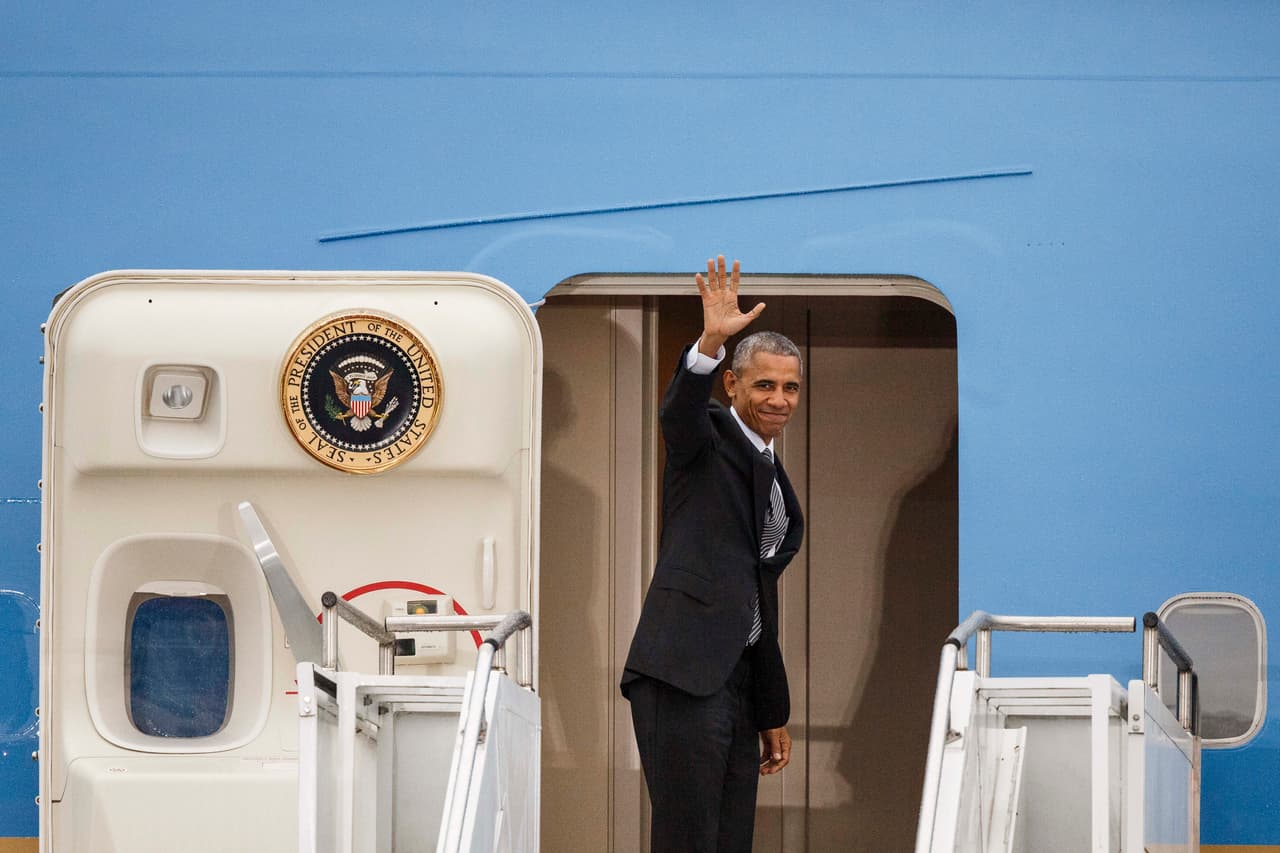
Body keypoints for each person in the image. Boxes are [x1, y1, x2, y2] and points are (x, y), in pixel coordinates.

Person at [622, 255, 805, 852]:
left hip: (737, 682)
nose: (779, 398)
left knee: (730, 841)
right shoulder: (705, 439)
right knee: (687, 839)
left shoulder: (775, 476)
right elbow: (677, 413)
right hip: (680, 674)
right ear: (732, 384)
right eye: (764, 384)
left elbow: (758, 597)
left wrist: (769, 705)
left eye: (790, 386)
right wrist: (708, 344)